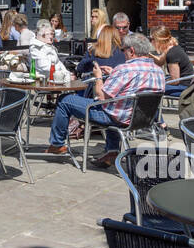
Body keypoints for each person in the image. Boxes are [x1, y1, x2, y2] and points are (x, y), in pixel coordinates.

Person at [47, 32, 164, 167]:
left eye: (123, 50)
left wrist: (98, 77)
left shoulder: (125, 69)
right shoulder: (158, 70)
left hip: (118, 118)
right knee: (115, 105)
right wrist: (114, 73)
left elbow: (101, 96)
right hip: (143, 119)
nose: (122, 53)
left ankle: (57, 144)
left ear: (131, 51)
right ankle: (112, 153)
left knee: (65, 100)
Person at [150, 26, 194, 99]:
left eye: (152, 39)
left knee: (150, 87)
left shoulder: (172, 54)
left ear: (159, 40)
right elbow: (160, 62)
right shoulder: (171, 47)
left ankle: (152, 110)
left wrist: (162, 81)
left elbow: (175, 80)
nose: (151, 41)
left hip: (184, 88)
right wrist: (148, 55)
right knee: (152, 83)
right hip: (187, 84)